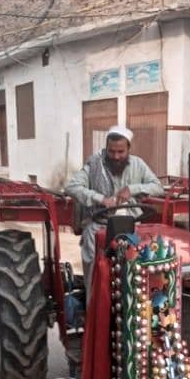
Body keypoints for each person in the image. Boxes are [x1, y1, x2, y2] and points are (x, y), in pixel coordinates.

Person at [65, 125, 164, 301]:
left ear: (128, 149)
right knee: (92, 260)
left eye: (121, 152)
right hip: (99, 225)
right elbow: (72, 187)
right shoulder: (94, 164)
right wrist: (100, 198)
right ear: (106, 148)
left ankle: (138, 307)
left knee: (145, 262)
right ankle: (93, 304)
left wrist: (132, 189)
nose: (116, 156)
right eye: (112, 152)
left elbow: (157, 187)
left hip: (132, 226)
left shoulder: (138, 164)